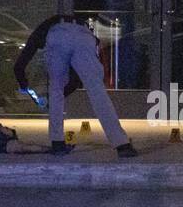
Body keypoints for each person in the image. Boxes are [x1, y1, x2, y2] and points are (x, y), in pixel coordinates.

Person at [14, 14, 137, 157]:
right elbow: (75, 82)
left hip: (58, 33)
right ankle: (122, 144)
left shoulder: (41, 34)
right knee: (97, 91)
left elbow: (19, 66)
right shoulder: (68, 34)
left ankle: (57, 143)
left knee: (56, 89)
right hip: (83, 35)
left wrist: (25, 86)